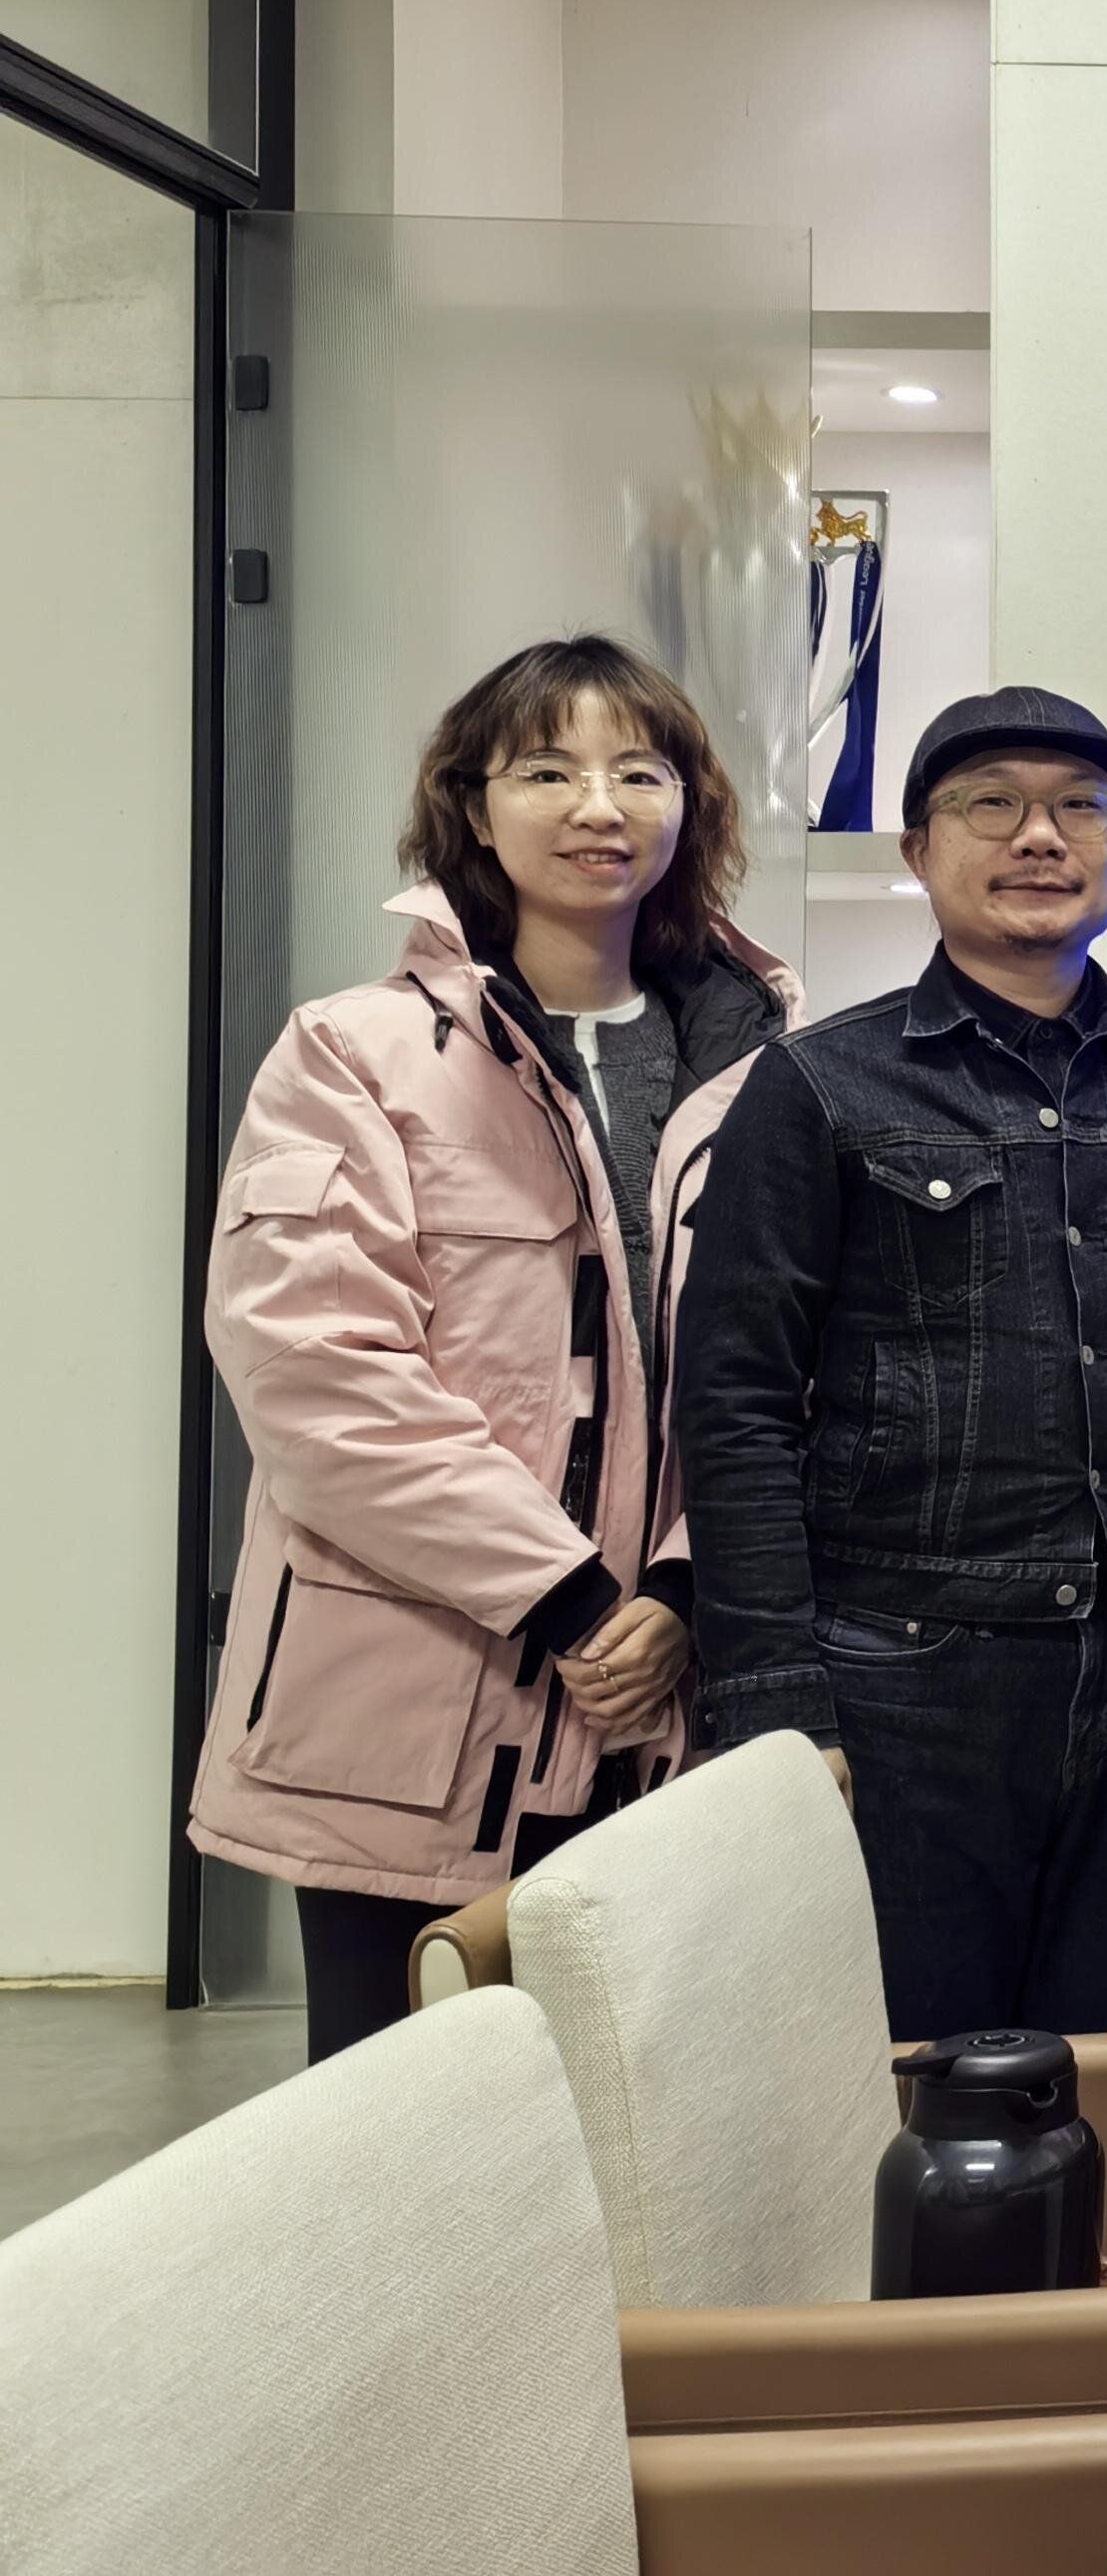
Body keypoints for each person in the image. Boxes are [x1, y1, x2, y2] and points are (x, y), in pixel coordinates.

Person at [676, 687, 1107, 2040]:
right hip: (904, 1681)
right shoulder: (820, 1086)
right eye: (993, 806)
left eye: (1081, 808)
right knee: (918, 2078)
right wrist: (777, 1701)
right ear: (920, 849)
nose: (1040, 836)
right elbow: (735, 1408)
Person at [191, 639, 793, 2062]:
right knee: (409, 2121)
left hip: (671, 1703)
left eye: (639, 772)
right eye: (547, 772)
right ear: (472, 806)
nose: (599, 807)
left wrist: (685, 1587)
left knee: (641, 2124)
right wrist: (569, 1601)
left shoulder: (775, 1066)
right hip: (414, 1705)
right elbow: (315, 1371)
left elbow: (801, 1367)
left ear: (688, 805)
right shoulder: (353, 1053)